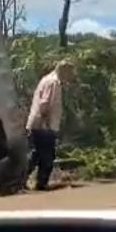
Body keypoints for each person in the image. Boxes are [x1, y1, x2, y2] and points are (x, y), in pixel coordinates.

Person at [26, 59, 75, 191]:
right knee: (47, 155)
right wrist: (45, 122)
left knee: (37, 155)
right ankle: (40, 184)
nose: (71, 76)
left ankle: (20, 180)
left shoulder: (48, 80)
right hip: (44, 125)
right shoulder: (53, 82)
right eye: (70, 72)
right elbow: (45, 103)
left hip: (40, 124)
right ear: (64, 71)